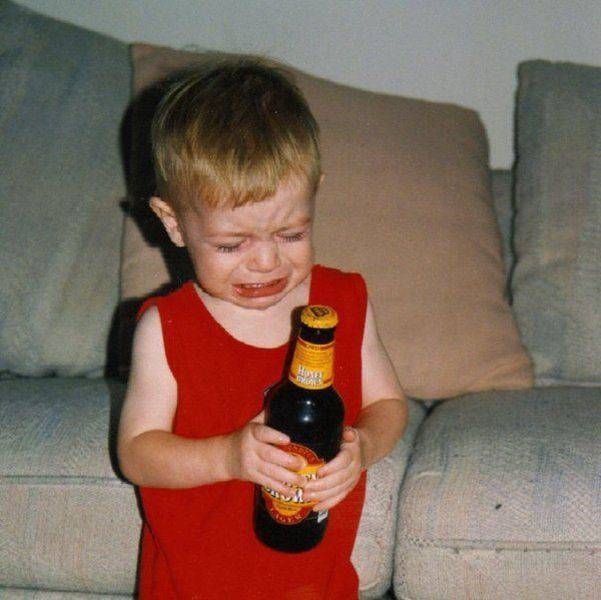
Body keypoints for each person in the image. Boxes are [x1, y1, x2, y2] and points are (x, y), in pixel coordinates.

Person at [117, 57, 408, 600]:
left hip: (315, 581)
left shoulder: (342, 304)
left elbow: (389, 403)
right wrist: (229, 456)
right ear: (173, 223)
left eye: (291, 234)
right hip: (195, 584)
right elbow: (137, 452)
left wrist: (363, 447)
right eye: (232, 245)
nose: (266, 262)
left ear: (314, 196)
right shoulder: (166, 329)